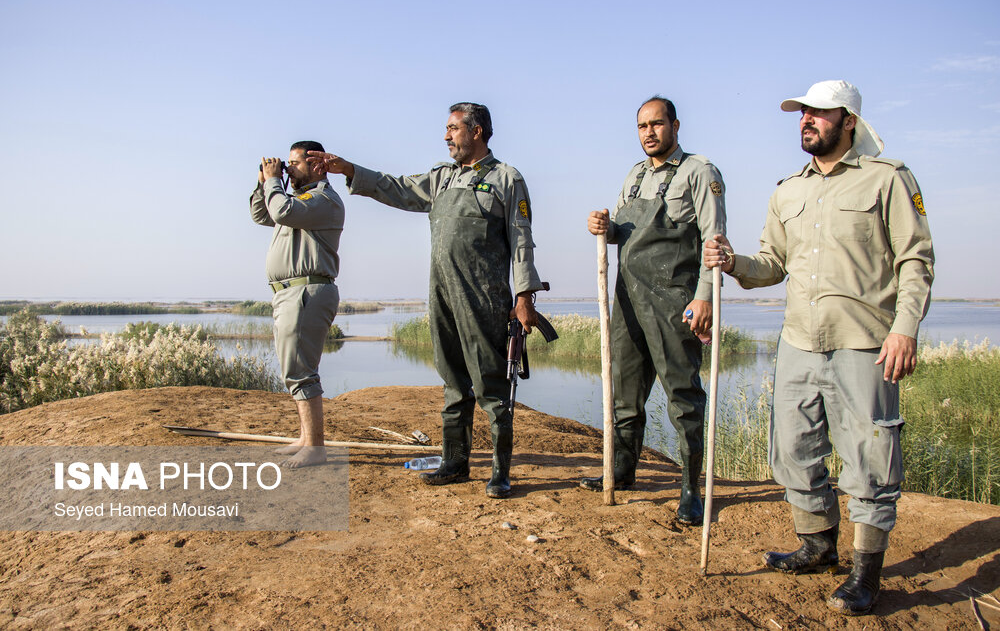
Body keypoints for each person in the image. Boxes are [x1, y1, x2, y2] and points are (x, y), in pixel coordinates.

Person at [704, 80, 934, 615]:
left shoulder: (888, 180)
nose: (806, 120)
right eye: (802, 113)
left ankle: (865, 573)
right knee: (794, 448)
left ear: (848, 121)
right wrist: (734, 262)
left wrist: (905, 329)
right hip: (798, 345)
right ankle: (816, 545)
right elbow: (771, 265)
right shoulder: (788, 190)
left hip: (865, 344)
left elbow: (915, 260)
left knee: (870, 457)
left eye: (819, 113)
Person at [307, 103, 545, 498]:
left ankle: (500, 472)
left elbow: (522, 239)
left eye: (453, 129)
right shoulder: (441, 179)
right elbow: (396, 187)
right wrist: (349, 169)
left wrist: (524, 296)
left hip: (484, 297)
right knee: (452, 381)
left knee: (491, 384)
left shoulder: (506, 178)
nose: (447, 136)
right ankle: (455, 463)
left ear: (478, 131)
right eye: (447, 129)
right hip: (441, 294)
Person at [580, 96, 727, 526]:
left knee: (682, 396)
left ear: (675, 126)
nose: (649, 133)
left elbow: (713, 240)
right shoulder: (635, 175)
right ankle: (622, 471)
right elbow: (627, 236)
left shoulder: (699, 172)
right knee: (625, 391)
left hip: (673, 300)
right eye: (642, 126)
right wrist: (604, 230)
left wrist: (704, 298)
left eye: (657, 124)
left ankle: (691, 490)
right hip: (627, 299)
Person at [251, 141, 345, 468]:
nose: (288, 169)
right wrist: (263, 181)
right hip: (289, 294)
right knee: (295, 369)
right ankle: (306, 439)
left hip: (306, 292)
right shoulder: (296, 201)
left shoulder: (323, 201)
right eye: (286, 164)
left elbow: (280, 210)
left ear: (317, 165)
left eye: (294, 163)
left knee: (301, 371)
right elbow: (262, 213)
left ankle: (316, 447)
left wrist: (274, 183)